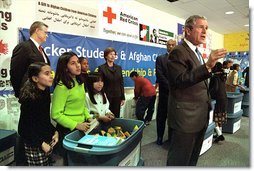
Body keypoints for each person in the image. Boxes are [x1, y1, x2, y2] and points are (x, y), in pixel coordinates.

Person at [166, 15, 227, 166]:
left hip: (200, 117)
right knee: (179, 162)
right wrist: (207, 66)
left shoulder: (197, 52)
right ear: (188, 30)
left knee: (192, 160)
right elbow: (180, 80)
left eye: (206, 28)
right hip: (185, 120)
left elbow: (200, 82)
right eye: (201, 27)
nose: (205, 31)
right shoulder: (178, 52)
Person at [51, 51, 91, 165]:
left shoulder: (80, 82)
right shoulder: (61, 87)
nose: (78, 65)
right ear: (65, 68)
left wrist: (88, 117)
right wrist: (76, 125)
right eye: (73, 63)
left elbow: (81, 104)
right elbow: (56, 114)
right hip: (68, 130)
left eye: (78, 62)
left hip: (83, 127)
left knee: (82, 161)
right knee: (71, 162)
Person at [18, 62, 58, 166]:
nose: (51, 76)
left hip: (44, 139)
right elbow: (24, 128)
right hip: (34, 143)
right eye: (46, 73)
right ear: (35, 78)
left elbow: (43, 119)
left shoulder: (45, 91)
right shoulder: (29, 99)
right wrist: (41, 143)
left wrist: (54, 131)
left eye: (51, 73)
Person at [10, 21, 50, 98]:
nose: (47, 35)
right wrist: (21, 94)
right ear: (37, 31)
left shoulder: (41, 50)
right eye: (45, 32)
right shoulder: (24, 47)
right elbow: (16, 73)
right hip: (30, 95)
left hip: (43, 94)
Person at [155, 39, 176, 145]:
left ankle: (171, 138)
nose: (170, 46)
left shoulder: (179, 59)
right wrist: (170, 87)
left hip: (176, 95)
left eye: (173, 45)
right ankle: (159, 137)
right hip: (164, 93)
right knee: (161, 117)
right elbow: (159, 74)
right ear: (166, 46)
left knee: (173, 118)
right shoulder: (160, 59)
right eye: (169, 45)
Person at [98, 47, 125, 118]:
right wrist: (102, 95)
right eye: (110, 54)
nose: (113, 56)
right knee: (107, 115)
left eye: (114, 54)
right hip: (107, 95)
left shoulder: (119, 68)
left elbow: (121, 82)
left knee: (116, 115)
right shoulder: (101, 68)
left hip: (117, 95)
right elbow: (100, 83)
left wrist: (123, 97)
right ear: (106, 56)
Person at [209, 62, 227, 143]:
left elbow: (215, 89)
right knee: (220, 117)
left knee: (215, 117)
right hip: (224, 99)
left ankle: (219, 134)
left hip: (218, 100)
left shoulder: (214, 77)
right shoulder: (223, 76)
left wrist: (208, 94)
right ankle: (219, 133)